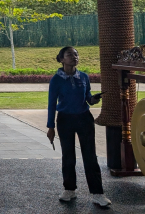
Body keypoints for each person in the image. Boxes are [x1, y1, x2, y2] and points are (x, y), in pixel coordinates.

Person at [46, 46, 111, 208]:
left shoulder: (83, 76)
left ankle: (97, 193)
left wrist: (93, 100)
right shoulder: (56, 80)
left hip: (84, 118)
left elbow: (87, 97)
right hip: (65, 120)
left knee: (90, 156)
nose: (74, 57)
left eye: (76, 54)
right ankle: (69, 189)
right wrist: (50, 127)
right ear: (61, 59)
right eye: (69, 54)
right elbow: (51, 104)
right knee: (68, 156)